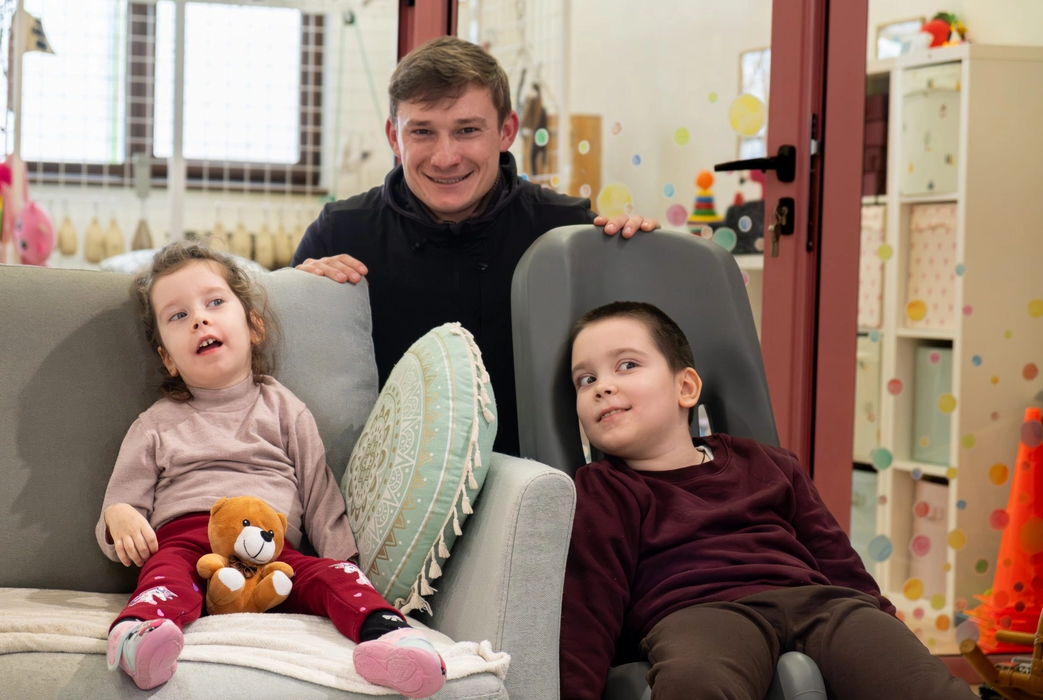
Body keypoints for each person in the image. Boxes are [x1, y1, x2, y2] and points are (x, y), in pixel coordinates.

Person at [559, 301, 977, 700]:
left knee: (913, 677)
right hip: (699, 614)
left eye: (627, 365)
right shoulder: (602, 490)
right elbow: (587, 611)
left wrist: (884, 625)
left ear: (685, 387)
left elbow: (837, 560)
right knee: (696, 682)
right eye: (586, 380)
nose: (603, 387)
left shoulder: (768, 463)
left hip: (817, 603)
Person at [97, 241, 446, 698]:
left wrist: (344, 563)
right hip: (187, 543)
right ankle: (138, 639)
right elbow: (120, 507)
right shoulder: (155, 424)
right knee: (164, 576)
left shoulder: (284, 408)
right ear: (167, 358)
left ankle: (392, 639)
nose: (200, 319)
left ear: (253, 326)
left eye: (214, 303)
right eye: (178, 315)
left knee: (336, 580)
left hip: (274, 552)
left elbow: (320, 495)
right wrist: (121, 516)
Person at [291, 36, 658, 456]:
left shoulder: (567, 232)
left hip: (539, 475)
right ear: (394, 137)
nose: (445, 157)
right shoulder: (339, 233)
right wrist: (297, 300)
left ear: (506, 131)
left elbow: (647, 365)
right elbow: (275, 380)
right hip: (379, 483)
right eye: (422, 132)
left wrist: (634, 258)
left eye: (467, 130)